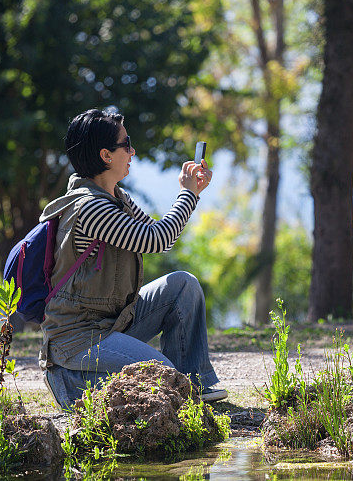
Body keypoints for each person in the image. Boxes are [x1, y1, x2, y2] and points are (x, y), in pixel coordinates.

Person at [39, 109, 226, 410]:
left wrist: (190, 192)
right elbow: (157, 240)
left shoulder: (115, 198)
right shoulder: (91, 208)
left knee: (182, 286)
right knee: (166, 379)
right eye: (126, 144)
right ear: (106, 155)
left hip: (110, 325)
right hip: (80, 342)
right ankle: (73, 386)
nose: (132, 151)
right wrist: (187, 194)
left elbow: (155, 235)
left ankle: (196, 384)